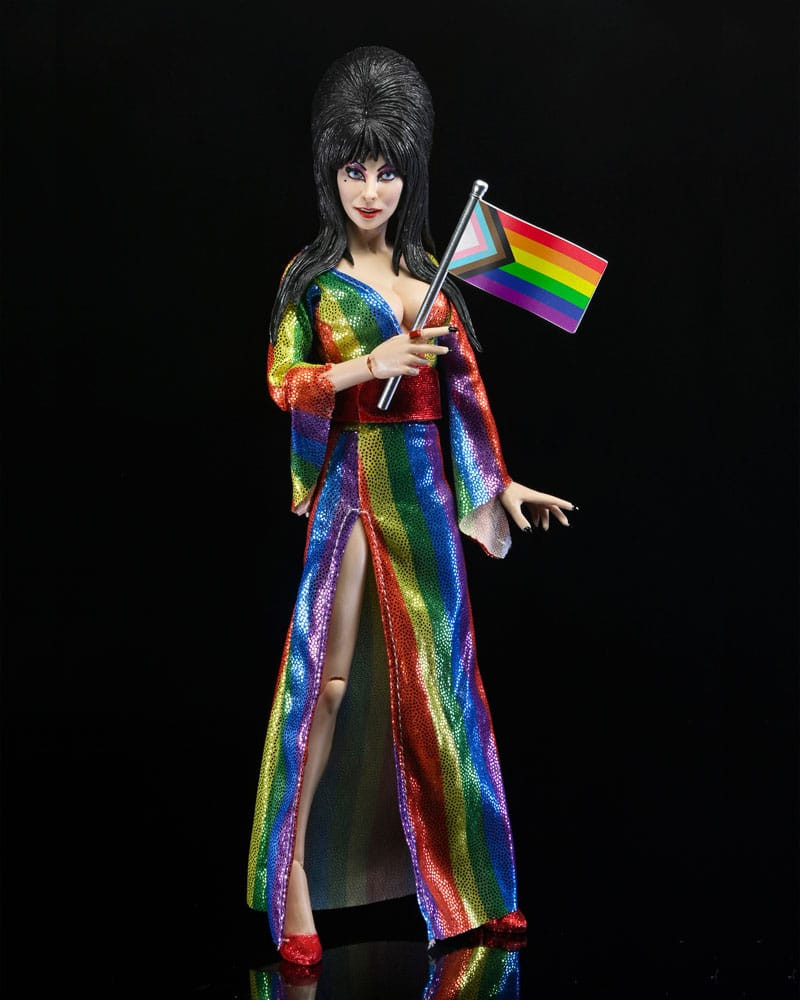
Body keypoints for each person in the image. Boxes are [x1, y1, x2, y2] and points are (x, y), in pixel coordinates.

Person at [246, 45, 576, 969]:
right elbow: (283, 381)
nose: (370, 190)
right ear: (330, 172)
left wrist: (501, 485)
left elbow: (465, 397)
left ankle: (472, 887)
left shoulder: (432, 277)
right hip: (358, 484)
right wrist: (367, 366)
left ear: (410, 175)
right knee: (331, 678)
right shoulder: (311, 281)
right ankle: (294, 874)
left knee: (445, 677)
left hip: (428, 490)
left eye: (386, 171)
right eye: (354, 170)